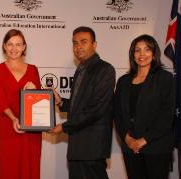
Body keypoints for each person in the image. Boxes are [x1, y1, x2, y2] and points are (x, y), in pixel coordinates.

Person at [50, 26, 115, 179]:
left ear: (94, 44)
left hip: (92, 147)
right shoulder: (81, 69)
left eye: (83, 42)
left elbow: (96, 109)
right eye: (75, 43)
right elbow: (79, 106)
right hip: (78, 148)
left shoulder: (105, 69)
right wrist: (60, 102)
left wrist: (64, 126)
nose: (78, 47)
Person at [114, 34, 175, 179]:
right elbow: (117, 114)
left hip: (156, 147)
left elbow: (166, 114)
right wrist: (127, 139)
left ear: (154, 54)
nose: (142, 54)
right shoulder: (123, 81)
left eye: (147, 49)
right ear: (132, 54)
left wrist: (143, 140)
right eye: (137, 50)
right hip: (130, 148)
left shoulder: (164, 78)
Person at [0, 29, 42, 179]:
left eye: (18, 44)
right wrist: (14, 119)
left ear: (24, 47)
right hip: (6, 125)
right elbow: (0, 99)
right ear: (4, 46)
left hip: (31, 129)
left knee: (30, 169)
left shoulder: (33, 70)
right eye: (10, 44)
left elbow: (40, 101)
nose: (14, 48)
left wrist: (35, 90)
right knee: (7, 169)